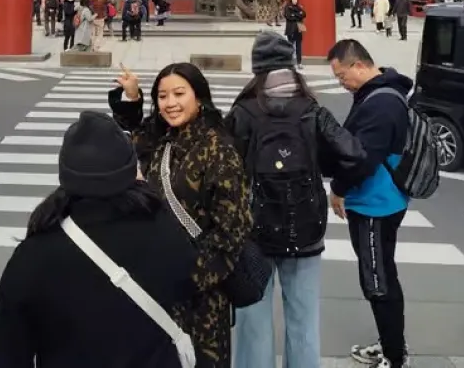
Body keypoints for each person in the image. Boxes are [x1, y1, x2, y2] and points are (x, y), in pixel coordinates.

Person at [0, 111, 197, 367]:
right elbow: (186, 286)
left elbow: (7, 354)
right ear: (132, 170)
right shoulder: (161, 228)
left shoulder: (34, 255)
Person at [228, 32, 368, 368]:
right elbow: (354, 153)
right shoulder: (311, 109)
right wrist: (322, 168)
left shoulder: (244, 111)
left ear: (257, 68)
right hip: (304, 227)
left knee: (253, 321)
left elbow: (225, 164)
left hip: (254, 229)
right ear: (291, 66)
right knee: (304, 321)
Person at [110, 62, 253, 368]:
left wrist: (184, 279)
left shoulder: (219, 149)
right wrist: (132, 97)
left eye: (179, 93)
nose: (170, 103)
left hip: (202, 298)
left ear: (199, 97)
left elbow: (232, 230)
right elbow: (135, 134)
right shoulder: (162, 139)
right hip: (156, 293)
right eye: (162, 96)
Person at [326, 39, 412, 368]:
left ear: (359, 65)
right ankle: (392, 344)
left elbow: (364, 160)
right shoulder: (383, 91)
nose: (341, 82)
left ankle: (394, 356)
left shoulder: (381, 104)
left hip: (376, 203)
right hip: (382, 198)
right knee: (382, 275)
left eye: (341, 75)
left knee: (378, 281)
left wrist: (338, 189)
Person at [283, 0, 306, 68]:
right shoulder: (287, 7)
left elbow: (304, 14)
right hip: (291, 28)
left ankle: (299, 63)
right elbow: (288, 16)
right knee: (290, 46)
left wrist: (295, 15)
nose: (295, 0)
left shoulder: (299, 7)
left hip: (299, 28)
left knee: (299, 46)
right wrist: (298, 15)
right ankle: (289, 62)